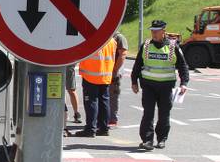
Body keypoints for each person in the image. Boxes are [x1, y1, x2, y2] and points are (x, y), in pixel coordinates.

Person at [131, 20, 190, 150]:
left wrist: (184, 83)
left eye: (156, 31)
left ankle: (161, 139)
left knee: (164, 114)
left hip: (166, 87)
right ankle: (147, 140)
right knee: (148, 114)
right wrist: (134, 81)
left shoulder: (173, 46)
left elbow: (183, 66)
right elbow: (137, 64)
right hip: (148, 87)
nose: (153, 33)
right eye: (152, 31)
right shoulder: (146, 45)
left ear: (163, 31)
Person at [76, 37, 118, 137]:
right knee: (104, 102)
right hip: (105, 76)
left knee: (91, 102)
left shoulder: (92, 40)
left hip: (91, 75)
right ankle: (103, 128)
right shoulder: (112, 41)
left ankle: (90, 128)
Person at [108, 32, 129, 127]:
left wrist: (115, 70)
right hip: (106, 71)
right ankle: (105, 118)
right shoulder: (107, 37)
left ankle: (113, 119)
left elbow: (123, 55)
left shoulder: (119, 37)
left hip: (114, 72)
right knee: (105, 96)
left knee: (113, 96)